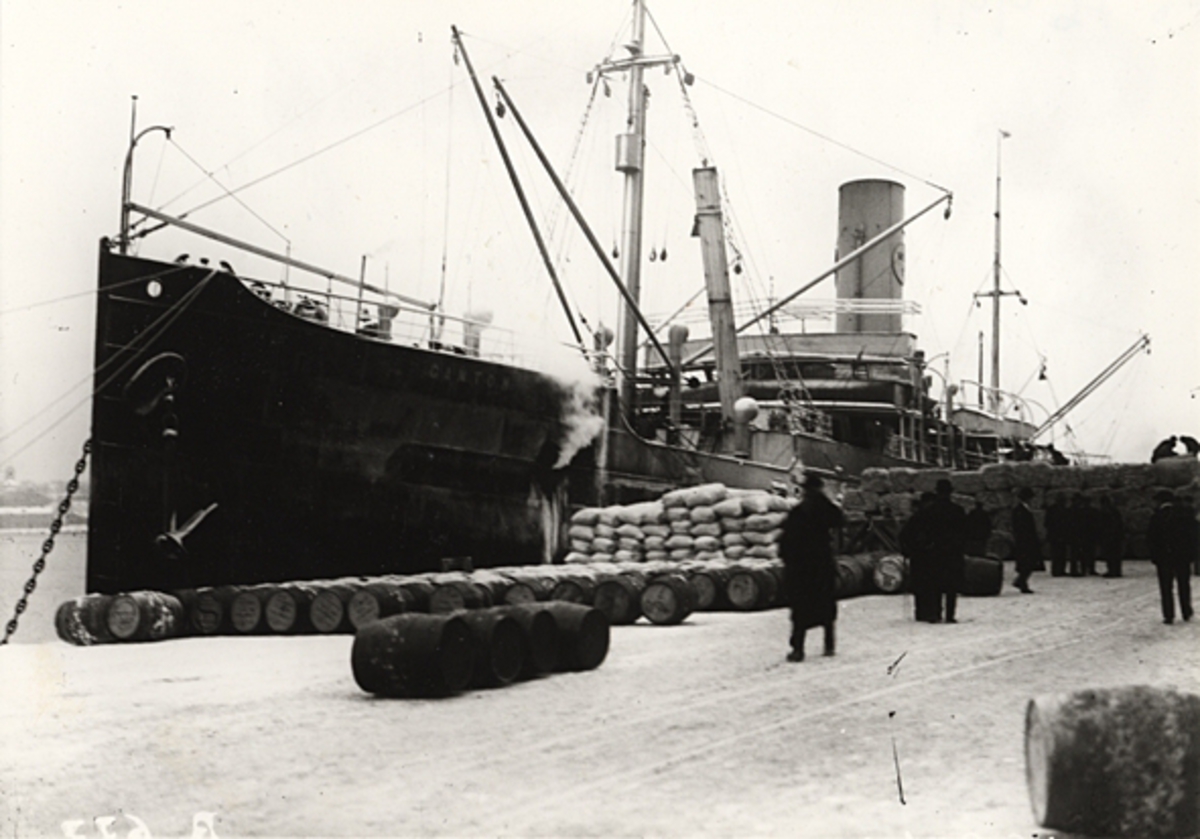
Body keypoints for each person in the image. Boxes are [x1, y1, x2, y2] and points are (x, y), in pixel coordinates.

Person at [779, 473, 845, 661]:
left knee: (800, 607)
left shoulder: (798, 512)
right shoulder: (825, 509)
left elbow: (786, 539)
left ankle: (798, 649)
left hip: (801, 566)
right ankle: (829, 644)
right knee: (825, 604)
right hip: (821, 563)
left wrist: (786, 559)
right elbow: (840, 519)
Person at [1147, 490, 1194, 624]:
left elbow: (1151, 539)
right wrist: (1191, 554)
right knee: (1183, 584)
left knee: (1166, 587)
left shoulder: (1156, 517)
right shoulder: (1183, 515)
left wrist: (1154, 556)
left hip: (1164, 557)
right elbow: (1192, 536)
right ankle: (1186, 610)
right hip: (1181, 556)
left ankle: (1168, 614)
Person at [924, 479, 967, 623]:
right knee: (951, 585)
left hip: (935, 551)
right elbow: (964, 532)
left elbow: (924, 532)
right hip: (953, 551)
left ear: (937, 492)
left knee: (934, 583)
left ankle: (935, 613)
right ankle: (950, 615)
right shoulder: (958, 510)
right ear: (950, 492)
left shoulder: (929, 511)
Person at [900, 492, 939, 622]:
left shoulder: (916, 517)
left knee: (921, 584)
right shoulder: (933, 518)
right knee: (930, 584)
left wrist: (907, 549)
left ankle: (922, 612)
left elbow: (903, 535)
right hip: (929, 555)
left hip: (919, 555)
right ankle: (932, 612)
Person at [1010, 487, 1041, 593]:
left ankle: (1021, 581)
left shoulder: (1023, 509)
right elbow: (1020, 527)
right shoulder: (1020, 511)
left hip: (1026, 539)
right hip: (1024, 540)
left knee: (1028, 562)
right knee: (1027, 562)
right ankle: (1021, 582)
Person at [1066, 494, 1098, 576]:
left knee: (1080, 553)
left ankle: (1080, 569)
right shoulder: (1079, 511)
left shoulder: (1073, 511)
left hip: (1081, 534)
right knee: (1079, 553)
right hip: (1079, 534)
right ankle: (1080, 569)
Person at [1097, 494, 1125, 578]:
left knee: (1110, 554)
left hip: (1109, 536)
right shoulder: (1115, 511)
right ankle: (1116, 570)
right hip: (1115, 536)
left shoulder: (1105, 512)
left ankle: (1112, 570)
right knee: (1115, 555)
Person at [1044, 495, 1069, 577]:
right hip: (1055, 535)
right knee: (1056, 553)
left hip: (1061, 534)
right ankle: (1056, 570)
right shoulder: (1053, 510)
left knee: (1061, 553)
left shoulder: (1064, 510)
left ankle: (1060, 569)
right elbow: (1047, 523)